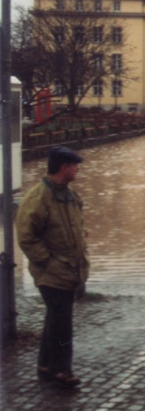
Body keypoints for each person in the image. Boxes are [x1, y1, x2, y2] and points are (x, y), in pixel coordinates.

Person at [16, 146, 89, 388]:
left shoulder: (69, 195)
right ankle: (61, 370)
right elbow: (26, 237)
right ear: (64, 168)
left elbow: (77, 228)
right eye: (74, 165)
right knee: (62, 322)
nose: (78, 169)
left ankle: (45, 364)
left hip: (69, 268)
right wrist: (48, 261)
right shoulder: (38, 198)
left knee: (56, 317)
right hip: (51, 272)